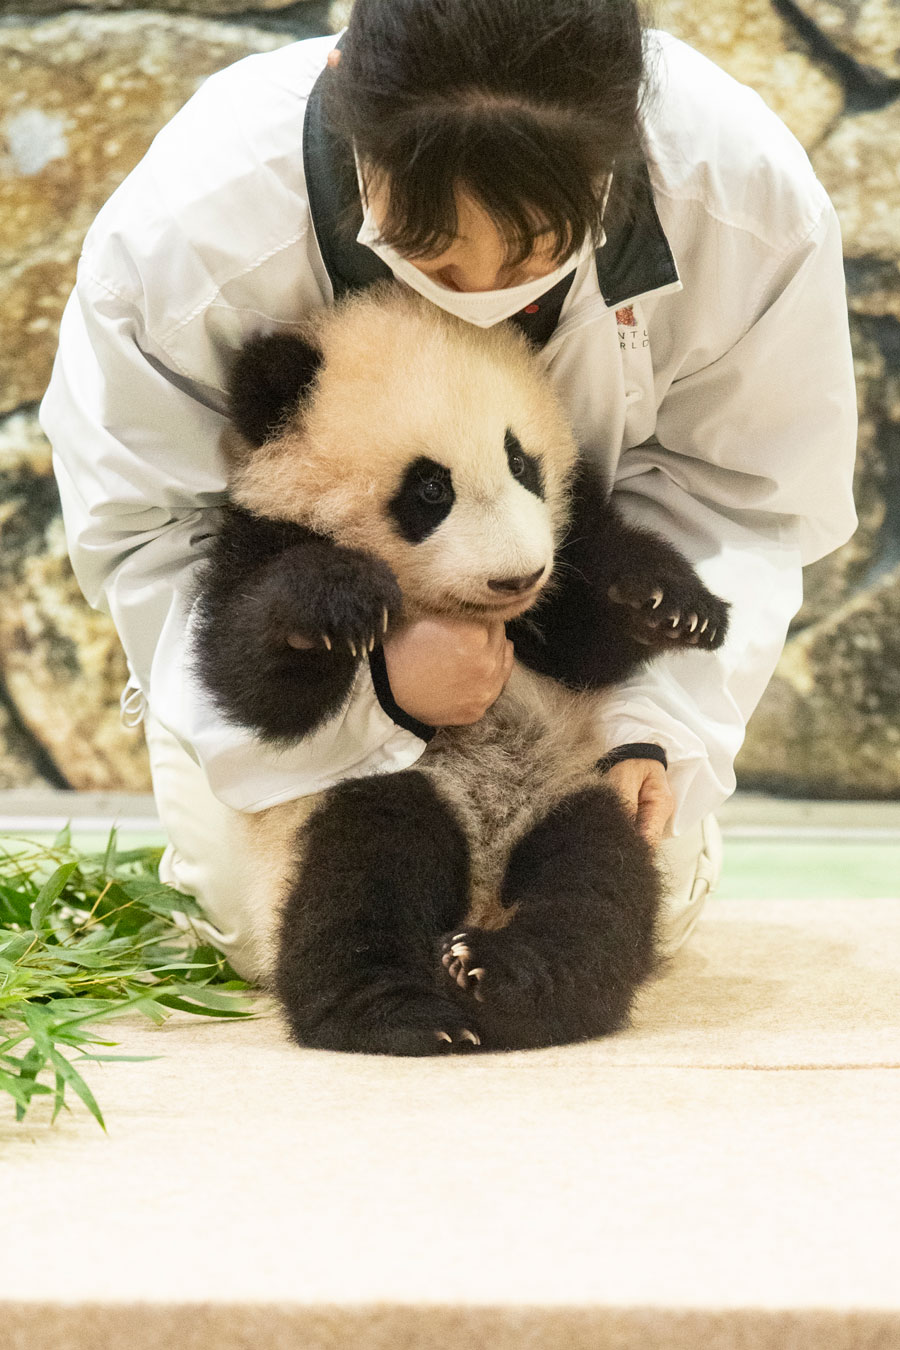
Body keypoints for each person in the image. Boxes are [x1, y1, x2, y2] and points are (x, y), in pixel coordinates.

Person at [40, 0, 857, 981]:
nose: (478, 294)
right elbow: (148, 536)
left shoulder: (741, 197)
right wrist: (372, 683)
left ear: (625, 137)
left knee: (631, 912)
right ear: (343, 90)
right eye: (429, 253)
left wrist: (652, 726)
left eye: (531, 256)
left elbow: (742, 496)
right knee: (283, 932)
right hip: (300, 643)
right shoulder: (186, 231)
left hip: (568, 654)